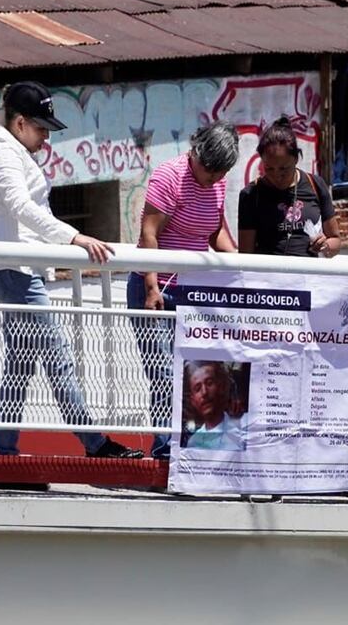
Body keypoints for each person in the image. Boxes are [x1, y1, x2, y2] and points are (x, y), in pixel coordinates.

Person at [0, 80, 143, 469]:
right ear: (19, 123)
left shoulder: (12, 150)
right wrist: (75, 237)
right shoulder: (1, 152)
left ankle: (4, 453)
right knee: (57, 356)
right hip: (14, 269)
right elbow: (20, 206)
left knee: (21, 361)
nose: (46, 138)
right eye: (41, 128)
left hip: (20, 268)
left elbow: (27, 209)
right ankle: (94, 443)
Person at [127, 121, 240, 459]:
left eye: (221, 172)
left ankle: (193, 451)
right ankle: (163, 453)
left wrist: (238, 262)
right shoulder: (169, 177)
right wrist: (151, 288)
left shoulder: (217, 184)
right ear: (196, 153)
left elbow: (215, 230)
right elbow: (149, 235)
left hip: (194, 291)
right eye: (209, 170)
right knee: (162, 373)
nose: (214, 178)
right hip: (157, 287)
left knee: (197, 373)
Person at [238, 116, 342, 258]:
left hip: (308, 277)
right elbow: (245, 256)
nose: (276, 175)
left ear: (296, 159)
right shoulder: (251, 195)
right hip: (267, 278)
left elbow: (336, 241)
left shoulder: (316, 185)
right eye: (269, 168)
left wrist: (325, 245)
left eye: (284, 169)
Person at [181, 361, 247, 451]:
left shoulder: (242, 433)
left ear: (220, 386)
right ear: (193, 400)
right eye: (198, 388)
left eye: (209, 383)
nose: (204, 392)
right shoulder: (193, 442)